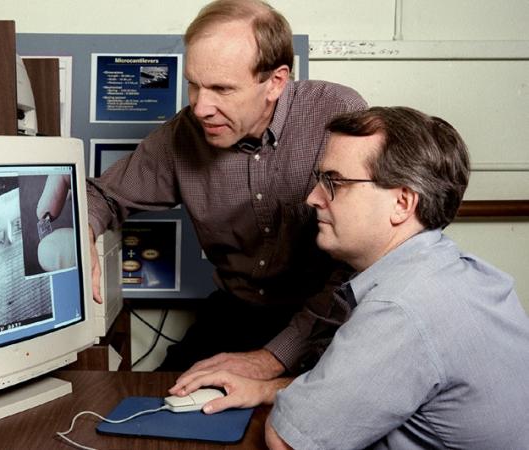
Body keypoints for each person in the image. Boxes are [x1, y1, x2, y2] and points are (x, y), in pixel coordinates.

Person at [172, 106, 529, 449]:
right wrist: (268, 388)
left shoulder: (400, 309)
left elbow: (288, 441)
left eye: (334, 182)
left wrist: (290, 401)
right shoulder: (452, 271)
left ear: (402, 203)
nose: (313, 198)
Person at [85, 0, 367, 376]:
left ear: (276, 82)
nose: (201, 107)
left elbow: (363, 260)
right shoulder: (184, 136)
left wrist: (274, 358)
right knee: (163, 397)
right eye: (194, 86)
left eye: (222, 88)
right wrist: (83, 231)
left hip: (329, 315)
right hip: (238, 311)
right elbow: (101, 195)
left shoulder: (337, 114)